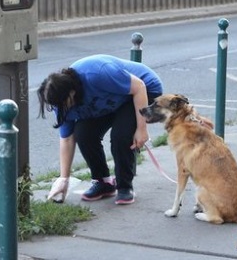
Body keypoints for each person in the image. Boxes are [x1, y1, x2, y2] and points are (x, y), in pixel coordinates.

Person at [37, 54, 163, 205]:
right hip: (111, 101)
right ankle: (104, 182)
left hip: (141, 91)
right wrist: (64, 179)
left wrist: (141, 129)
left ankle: (125, 187)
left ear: (71, 93)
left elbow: (139, 87)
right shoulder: (61, 103)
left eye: (63, 104)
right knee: (83, 133)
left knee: (121, 135)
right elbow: (67, 139)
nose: (60, 108)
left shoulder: (96, 74)